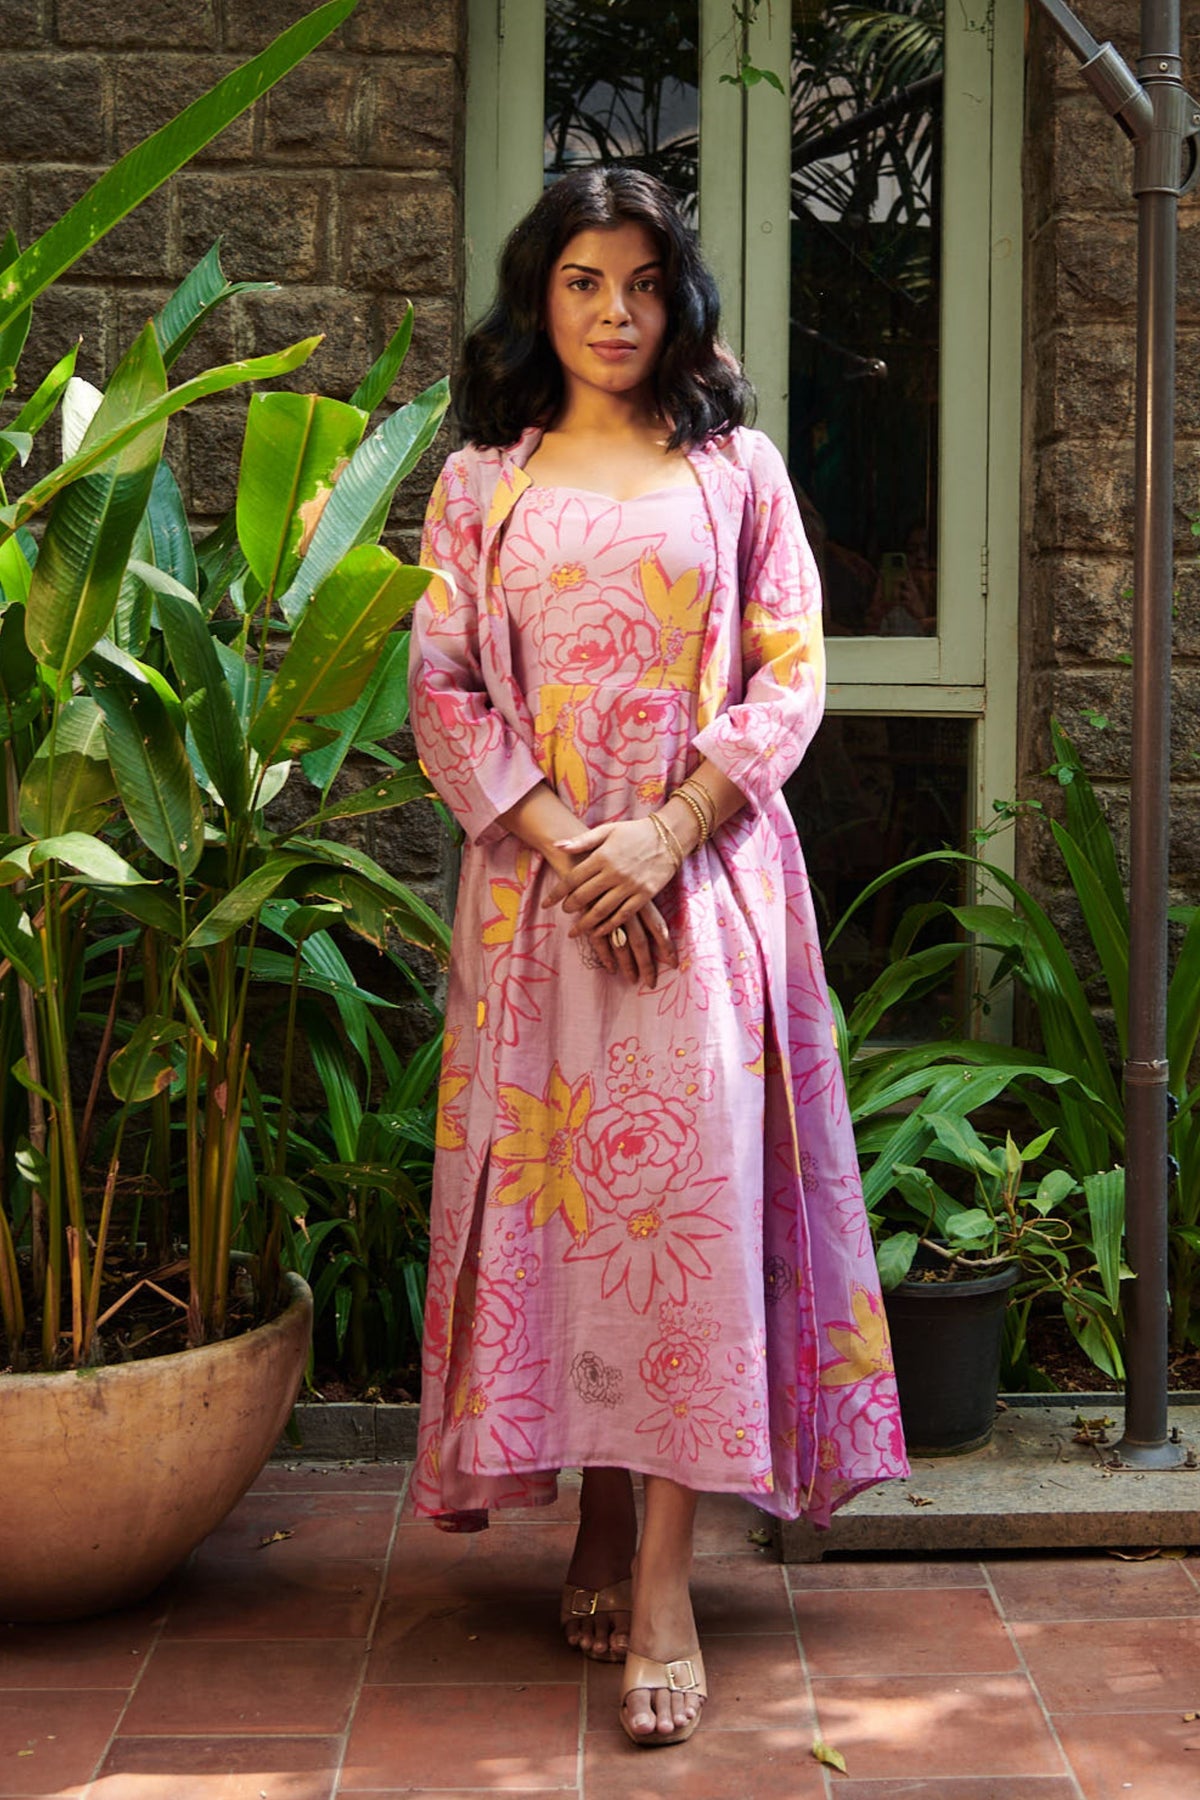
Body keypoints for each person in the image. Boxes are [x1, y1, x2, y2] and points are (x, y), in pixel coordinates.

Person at [408, 165, 907, 1748]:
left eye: (638, 284)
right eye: (580, 284)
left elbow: (793, 670)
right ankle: (602, 1522)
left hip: (702, 901)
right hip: (541, 906)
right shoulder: (483, 480)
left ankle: (673, 1582)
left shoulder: (737, 470)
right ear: (536, 299)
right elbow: (443, 693)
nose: (613, 314)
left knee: (677, 1215)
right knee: (572, 1214)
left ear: (675, 297)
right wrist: (574, 843)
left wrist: (666, 832)